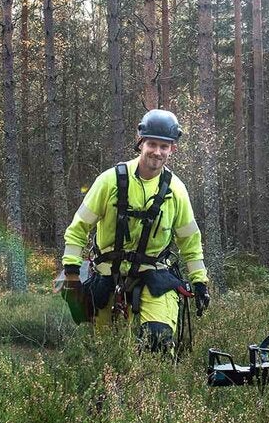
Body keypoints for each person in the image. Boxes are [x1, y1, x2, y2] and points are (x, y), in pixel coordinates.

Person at [60, 109, 211, 351]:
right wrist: (71, 274)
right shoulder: (109, 181)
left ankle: (156, 386)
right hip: (107, 276)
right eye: (152, 144)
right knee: (106, 352)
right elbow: (78, 229)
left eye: (164, 146)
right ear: (141, 142)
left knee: (158, 343)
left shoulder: (177, 191)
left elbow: (190, 242)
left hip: (154, 276)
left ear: (173, 148)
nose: (157, 152)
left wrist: (200, 282)